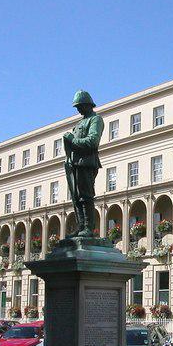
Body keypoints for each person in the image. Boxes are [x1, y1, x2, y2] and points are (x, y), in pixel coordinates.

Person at [63, 90, 104, 237]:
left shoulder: (95, 119)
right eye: (76, 107)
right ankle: (81, 226)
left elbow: (93, 141)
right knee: (76, 197)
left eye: (80, 106)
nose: (78, 109)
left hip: (87, 163)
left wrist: (72, 140)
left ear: (87, 104)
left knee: (86, 196)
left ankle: (88, 227)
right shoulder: (79, 123)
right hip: (75, 164)